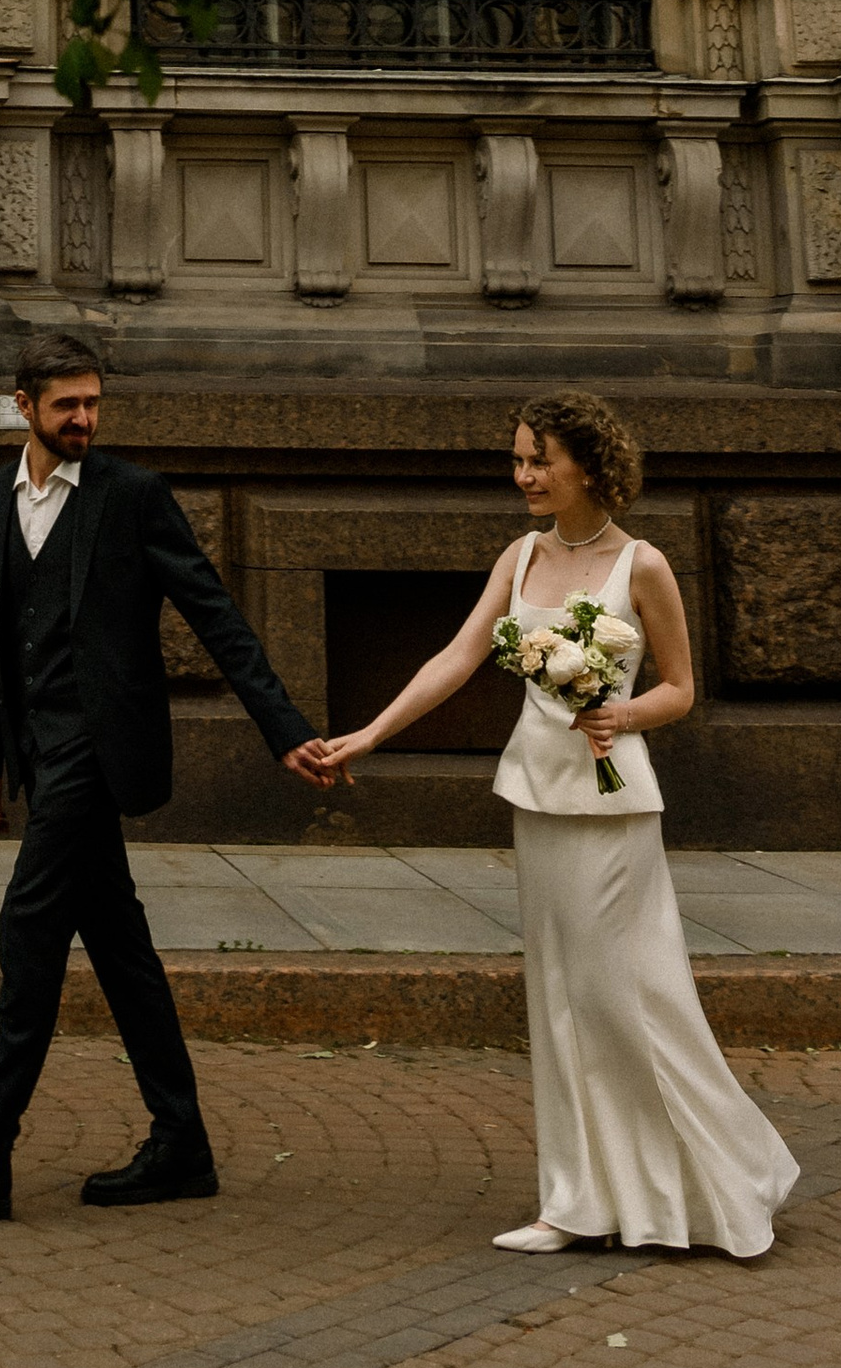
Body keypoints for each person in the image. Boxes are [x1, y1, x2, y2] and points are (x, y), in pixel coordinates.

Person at [316, 390, 798, 1259]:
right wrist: (372, 732)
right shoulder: (521, 555)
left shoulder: (642, 565)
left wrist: (624, 717)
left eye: (539, 460)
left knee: (627, 995)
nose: (525, 476)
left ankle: (730, 1174)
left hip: (613, 807)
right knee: (561, 1000)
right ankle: (577, 1201)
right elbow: (459, 657)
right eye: (518, 460)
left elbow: (681, 690)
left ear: (588, 464)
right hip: (536, 795)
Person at [0, 336, 340, 1230]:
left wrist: (283, 728)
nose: (85, 419)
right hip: (40, 754)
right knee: (121, 953)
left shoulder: (131, 497)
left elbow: (215, 613)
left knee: (28, 929)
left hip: (99, 752)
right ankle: (183, 1144)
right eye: (67, 406)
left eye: (93, 403)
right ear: (24, 406)